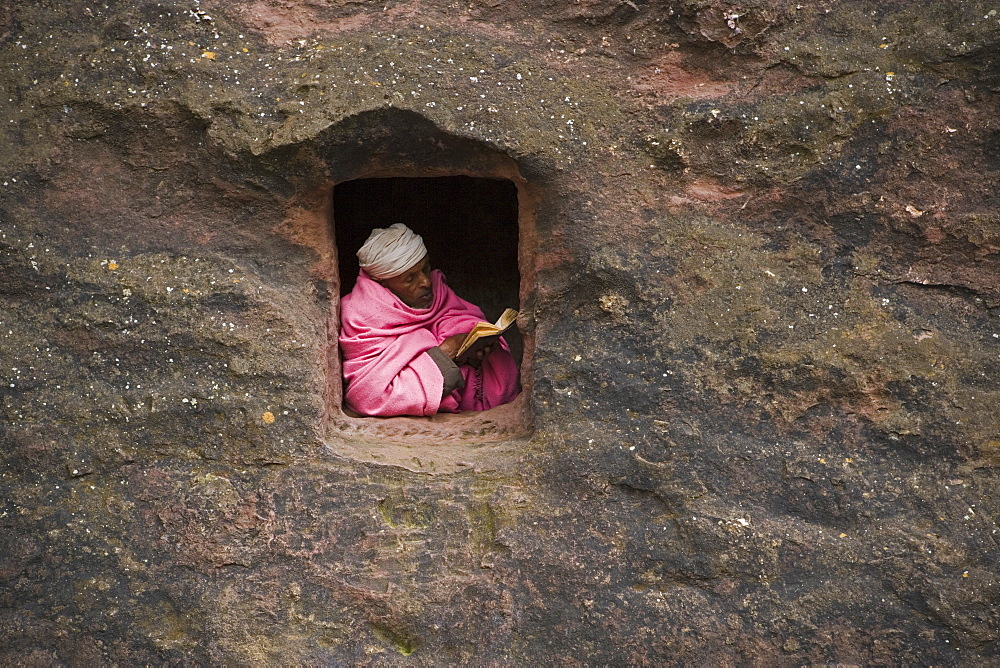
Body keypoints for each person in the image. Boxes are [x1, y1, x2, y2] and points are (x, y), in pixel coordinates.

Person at [339, 223, 520, 417]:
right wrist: (445, 353)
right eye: (410, 278)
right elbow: (366, 396)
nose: (425, 281)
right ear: (382, 282)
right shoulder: (362, 315)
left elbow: (461, 321)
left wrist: (473, 343)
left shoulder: (440, 294)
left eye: (425, 268)